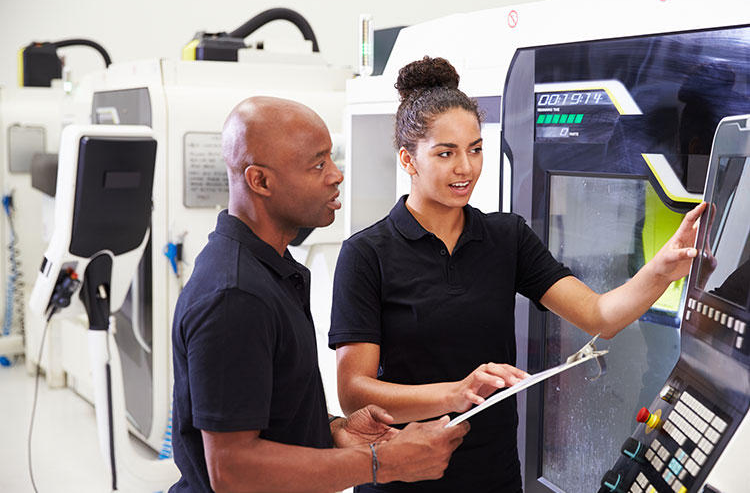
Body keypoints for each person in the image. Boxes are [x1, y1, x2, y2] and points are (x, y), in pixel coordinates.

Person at [328, 56, 706, 493]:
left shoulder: (506, 237)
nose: (465, 168)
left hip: (494, 476)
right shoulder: (366, 253)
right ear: (407, 159)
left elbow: (599, 315)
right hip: (401, 477)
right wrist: (454, 394)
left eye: (475, 149)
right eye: (445, 153)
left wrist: (660, 271)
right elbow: (355, 393)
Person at [170, 96, 469, 493]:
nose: (336, 175)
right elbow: (232, 469)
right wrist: (381, 463)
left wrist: (333, 430)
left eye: (331, 158)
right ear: (260, 181)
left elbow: (271, 415)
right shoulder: (235, 295)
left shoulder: (272, 270)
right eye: (318, 165)